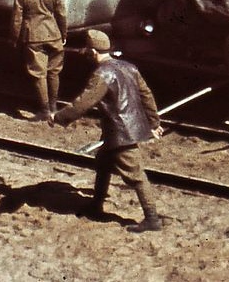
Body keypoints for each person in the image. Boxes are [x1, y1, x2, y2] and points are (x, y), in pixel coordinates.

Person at [52, 30, 163, 233]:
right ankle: (96, 205)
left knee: (136, 175)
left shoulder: (102, 74)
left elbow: (84, 102)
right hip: (122, 130)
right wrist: (154, 123)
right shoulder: (129, 67)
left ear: (93, 51)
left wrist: (59, 117)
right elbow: (146, 95)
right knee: (103, 165)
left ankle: (152, 218)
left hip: (120, 132)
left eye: (87, 50)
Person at [11, 0, 67, 122]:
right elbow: (62, 15)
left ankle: (44, 110)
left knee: (38, 74)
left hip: (33, 36)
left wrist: (15, 38)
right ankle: (54, 107)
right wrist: (63, 34)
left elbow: (16, 19)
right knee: (54, 72)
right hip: (54, 35)